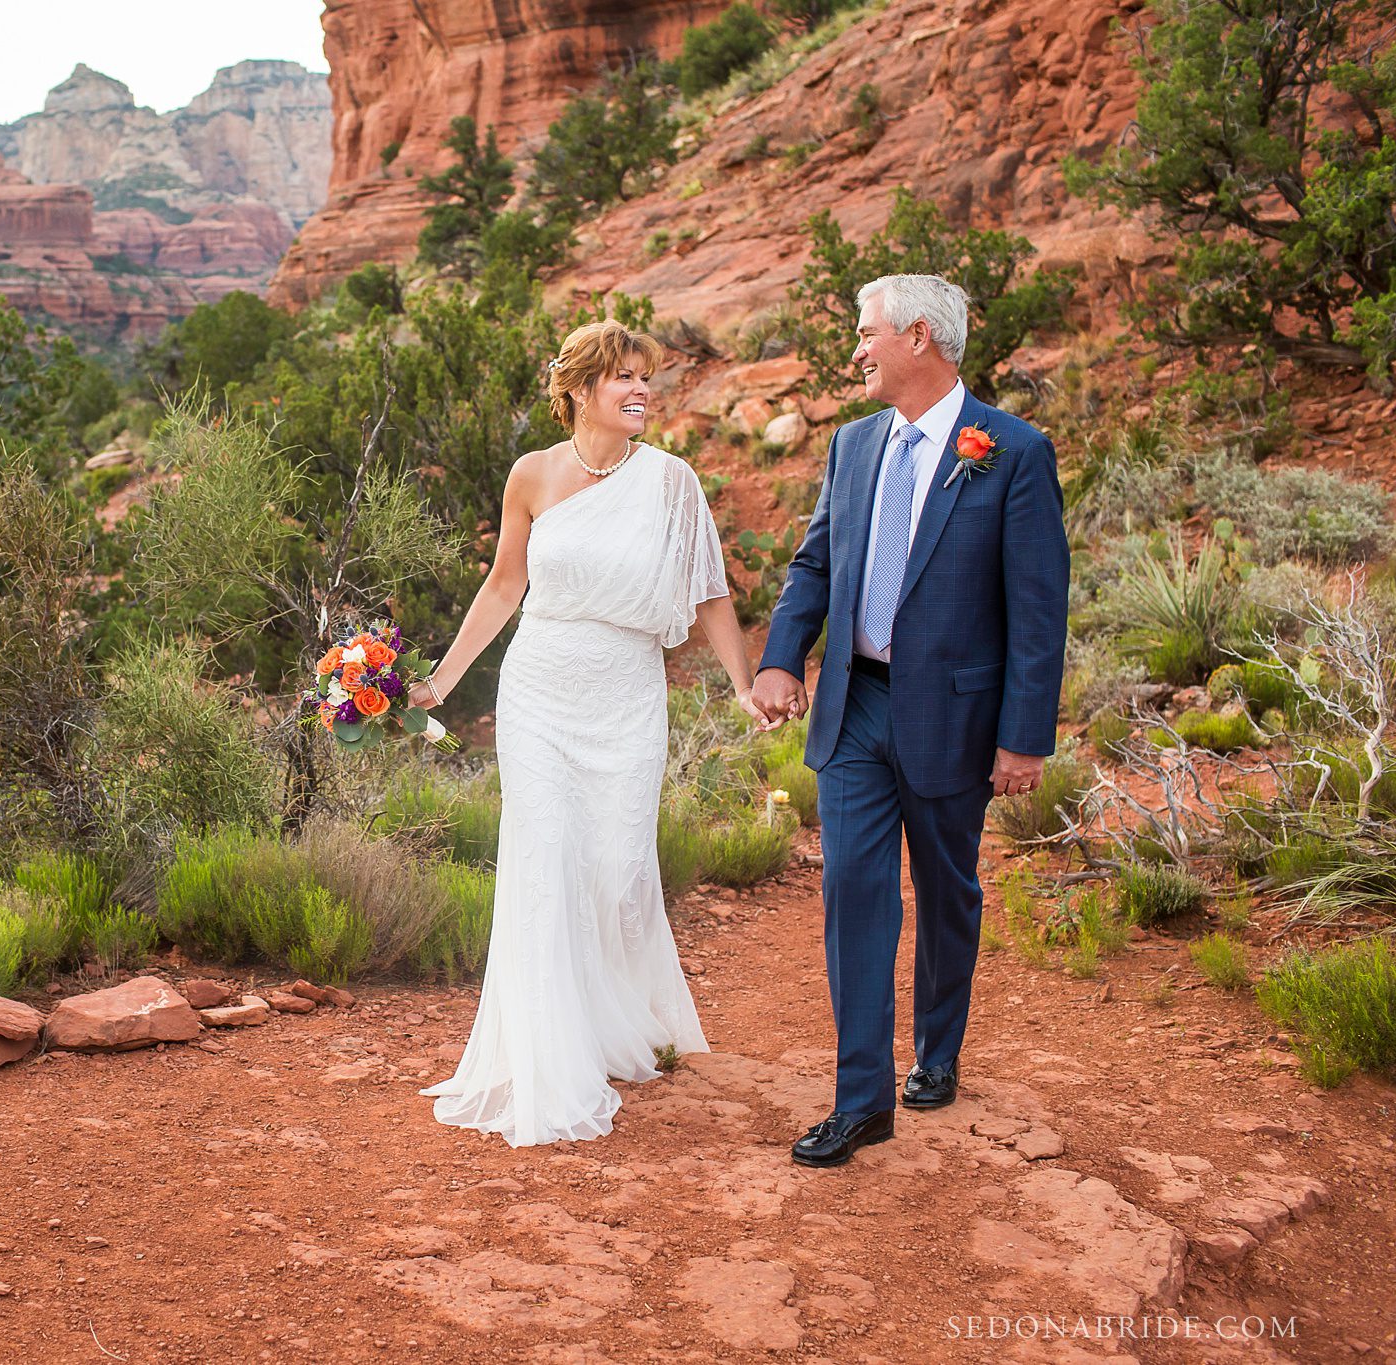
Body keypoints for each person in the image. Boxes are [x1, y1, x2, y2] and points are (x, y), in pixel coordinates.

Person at [410, 319, 759, 1147]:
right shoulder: (531, 475)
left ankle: (604, 1021)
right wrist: (438, 683)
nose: (641, 391)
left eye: (646, 378)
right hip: (539, 689)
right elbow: (503, 587)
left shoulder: (673, 483)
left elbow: (709, 594)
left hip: (627, 693)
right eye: (623, 378)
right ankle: (546, 1055)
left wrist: (744, 685)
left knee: (614, 863)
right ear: (577, 389)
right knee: (545, 863)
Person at [752, 274, 1070, 1168]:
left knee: (947, 892)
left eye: (867, 333)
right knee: (853, 892)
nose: (857, 349)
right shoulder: (853, 446)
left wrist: (1022, 736)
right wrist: (783, 655)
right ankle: (861, 1101)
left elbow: (1039, 610)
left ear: (919, 337)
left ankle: (939, 1046)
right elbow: (815, 562)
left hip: (958, 719)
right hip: (855, 707)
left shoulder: (1012, 451)